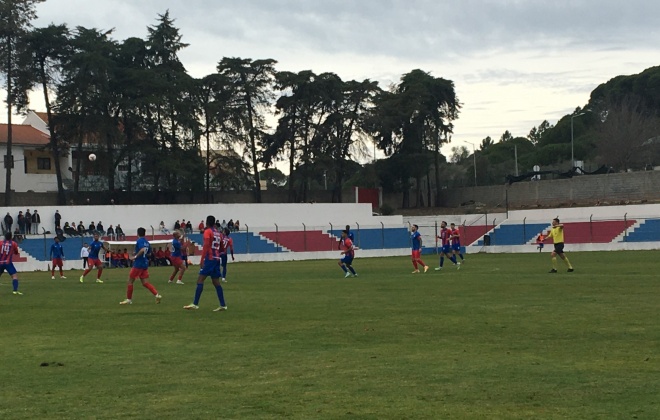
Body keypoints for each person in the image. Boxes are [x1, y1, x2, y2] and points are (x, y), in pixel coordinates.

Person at [183, 215, 227, 311]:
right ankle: (223, 305)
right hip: (216, 259)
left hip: (210, 259)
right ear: (214, 223)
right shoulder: (218, 233)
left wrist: (202, 259)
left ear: (206, 222)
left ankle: (195, 303)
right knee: (216, 282)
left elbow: (206, 246)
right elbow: (222, 248)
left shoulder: (207, 231)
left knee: (200, 279)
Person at [119, 227, 162, 305]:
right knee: (145, 283)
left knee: (130, 281)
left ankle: (129, 299)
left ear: (137, 233)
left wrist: (135, 257)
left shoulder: (139, 241)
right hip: (144, 264)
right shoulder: (147, 242)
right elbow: (149, 253)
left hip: (138, 264)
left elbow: (142, 250)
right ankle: (157, 295)